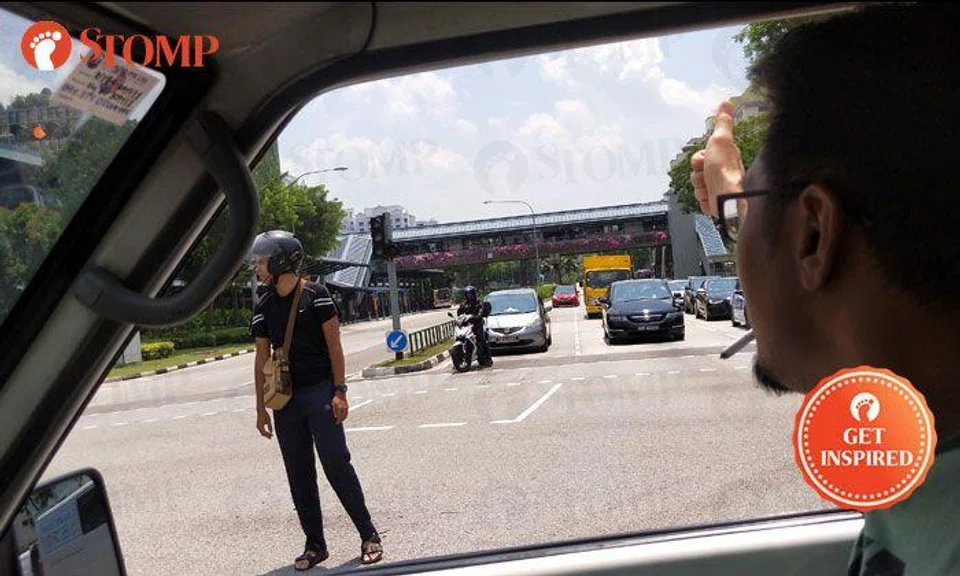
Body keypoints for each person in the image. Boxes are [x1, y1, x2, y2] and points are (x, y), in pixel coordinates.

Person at [690, 5, 960, 575]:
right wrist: (749, 205)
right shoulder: (925, 462)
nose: (738, 243)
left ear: (814, 233)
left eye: (745, 214)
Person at [249, 230, 383, 570]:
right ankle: (315, 544)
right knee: (299, 473)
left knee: (336, 464)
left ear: (281, 261)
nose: (257, 268)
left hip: (320, 392)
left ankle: (369, 534)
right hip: (286, 402)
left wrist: (340, 391)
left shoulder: (317, 296)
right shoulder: (263, 305)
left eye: (262, 261)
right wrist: (260, 408)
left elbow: (335, 347)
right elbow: (260, 357)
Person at [456, 285, 492, 367]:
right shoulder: (464, 305)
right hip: (467, 324)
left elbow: (480, 312)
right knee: (459, 335)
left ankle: (488, 358)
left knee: (481, 338)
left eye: (470, 294)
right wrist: (459, 319)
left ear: (474, 294)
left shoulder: (479, 303)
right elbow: (459, 314)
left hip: (477, 323)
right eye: (467, 294)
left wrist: (477, 316)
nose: (469, 296)